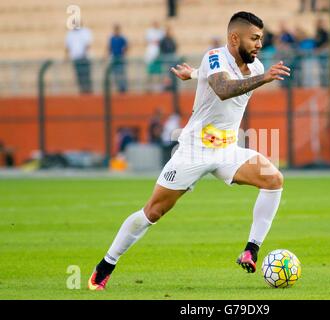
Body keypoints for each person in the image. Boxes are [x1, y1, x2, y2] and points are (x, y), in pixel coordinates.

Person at [88, 11, 290, 290]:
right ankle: (106, 264)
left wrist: (193, 74)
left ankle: (251, 250)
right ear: (234, 38)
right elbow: (221, 87)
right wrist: (263, 78)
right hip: (194, 150)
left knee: (273, 180)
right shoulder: (216, 56)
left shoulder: (255, 68)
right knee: (153, 212)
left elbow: (211, 77)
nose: (259, 44)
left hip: (227, 150)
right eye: (254, 38)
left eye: (261, 39)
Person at [65, 21, 93, 94]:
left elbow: (88, 44)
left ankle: (88, 91)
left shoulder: (85, 32)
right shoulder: (70, 34)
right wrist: (66, 56)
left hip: (84, 57)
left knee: (86, 75)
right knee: (79, 75)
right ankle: (82, 91)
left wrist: (84, 53)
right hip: (75, 58)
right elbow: (67, 46)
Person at [108, 24, 128, 93]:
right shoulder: (112, 38)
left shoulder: (122, 38)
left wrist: (124, 52)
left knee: (121, 73)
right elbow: (109, 48)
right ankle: (119, 88)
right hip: (114, 57)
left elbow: (126, 46)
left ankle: (123, 88)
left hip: (120, 57)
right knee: (115, 74)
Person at [314, 18, 330, 87]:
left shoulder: (324, 32)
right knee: (321, 69)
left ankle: (326, 83)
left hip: (323, 52)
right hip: (320, 52)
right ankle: (323, 83)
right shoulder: (318, 32)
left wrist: (320, 49)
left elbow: (327, 43)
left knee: (324, 68)